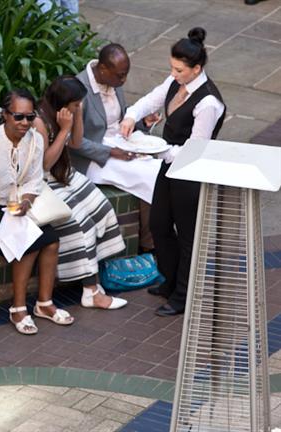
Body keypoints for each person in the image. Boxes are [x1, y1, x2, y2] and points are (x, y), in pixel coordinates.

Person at [120, 27, 226, 316]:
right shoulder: (176, 80)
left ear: (196, 69)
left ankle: (183, 294)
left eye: (179, 70)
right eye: (172, 68)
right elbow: (152, 99)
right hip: (169, 166)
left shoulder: (208, 103)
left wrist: (156, 150)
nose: (173, 73)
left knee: (189, 235)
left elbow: (195, 148)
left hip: (191, 173)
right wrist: (131, 115)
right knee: (159, 224)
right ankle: (170, 280)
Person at [0, 89, 74, 335]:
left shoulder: (35, 139)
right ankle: (18, 309)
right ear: (5, 115)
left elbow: (34, 180)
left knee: (51, 240)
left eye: (30, 117)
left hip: (16, 205)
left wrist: (28, 202)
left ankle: (44, 304)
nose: (25, 123)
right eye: (18, 117)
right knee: (28, 242)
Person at [33, 76, 128, 310]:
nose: (79, 108)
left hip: (64, 173)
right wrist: (64, 128)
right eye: (76, 105)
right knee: (80, 223)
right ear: (63, 103)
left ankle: (93, 276)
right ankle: (90, 291)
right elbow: (44, 164)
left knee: (102, 207)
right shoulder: (38, 121)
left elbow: (75, 143)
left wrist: (74, 120)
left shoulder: (67, 112)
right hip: (43, 181)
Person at [74, 43, 162, 252]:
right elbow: (73, 141)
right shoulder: (79, 90)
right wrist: (111, 152)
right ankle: (149, 242)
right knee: (148, 175)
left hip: (121, 143)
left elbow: (119, 118)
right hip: (94, 157)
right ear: (103, 69)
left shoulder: (113, 80)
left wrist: (142, 123)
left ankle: (157, 233)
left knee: (160, 168)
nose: (123, 81)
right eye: (120, 76)